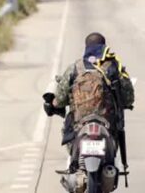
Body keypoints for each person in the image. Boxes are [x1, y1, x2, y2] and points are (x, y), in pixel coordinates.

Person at [43, 32, 135, 172]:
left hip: (79, 124)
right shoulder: (113, 67)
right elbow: (129, 97)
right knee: (117, 131)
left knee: (68, 130)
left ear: (86, 48)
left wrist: (52, 104)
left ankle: (73, 164)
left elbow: (60, 99)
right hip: (107, 123)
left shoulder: (75, 68)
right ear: (104, 47)